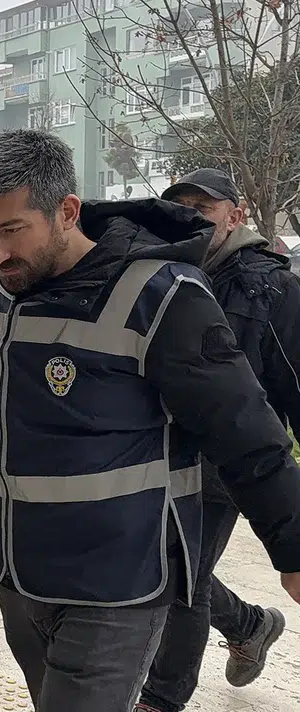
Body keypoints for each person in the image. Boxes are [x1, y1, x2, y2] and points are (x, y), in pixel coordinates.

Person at [0, 129, 300, 712]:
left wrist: (292, 545)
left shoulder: (161, 295)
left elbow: (241, 427)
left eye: (12, 230)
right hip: (14, 575)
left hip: (118, 583)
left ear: (67, 212)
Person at [134, 169, 298, 712]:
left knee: (184, 578)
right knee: (163, 565)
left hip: (224, 459)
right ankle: (249, 625)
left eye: (203, 208)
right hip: (154, 451)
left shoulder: (271, 287)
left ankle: (162, 698)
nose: (191, 217)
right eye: (181, 207)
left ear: (236, 214)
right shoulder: (160, 272)